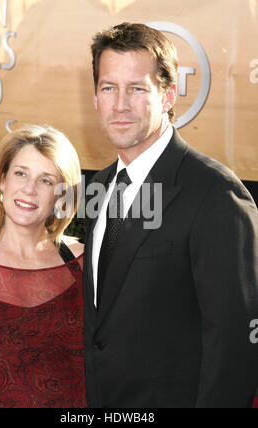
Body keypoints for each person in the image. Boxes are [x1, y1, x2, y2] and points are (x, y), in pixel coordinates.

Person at [83, 22, 258, 408]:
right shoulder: (100, 185)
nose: (120, 104)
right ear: (95, 97)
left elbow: (233, 344)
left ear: (168, 95)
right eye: (108, 87)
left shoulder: (215, 193)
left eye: (137, 88)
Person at [0, 125, 86, 408]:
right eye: (21, 173)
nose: (29, 189)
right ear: (2, 180)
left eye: (45, 180)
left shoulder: (86, 267)